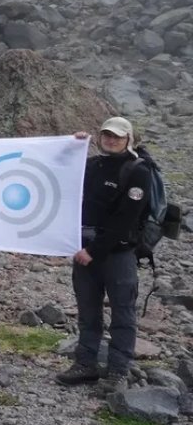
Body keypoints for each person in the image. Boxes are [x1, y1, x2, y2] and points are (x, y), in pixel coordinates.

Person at [56, 117, 152, 391]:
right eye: (107, 135)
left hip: (117, 254)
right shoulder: (93, 165)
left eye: (118, 136)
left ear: (128, 139)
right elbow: (58, 173)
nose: (111, 139)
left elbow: (125, 220)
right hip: (84, 249)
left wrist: (93, 251)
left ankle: (117, 372)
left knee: (122, 313)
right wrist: (69, 147)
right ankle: (85, 364)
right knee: (88, 310)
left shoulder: (138, 172)